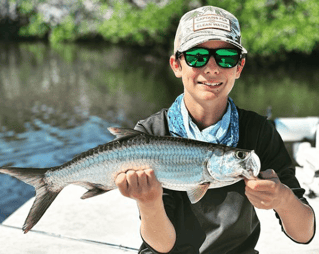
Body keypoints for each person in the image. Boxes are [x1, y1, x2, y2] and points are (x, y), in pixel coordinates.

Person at [115, 5, 316, 254]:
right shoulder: (151, 132)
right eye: (197, 56)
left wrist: (283, 199)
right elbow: (162, 245)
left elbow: (305, 233)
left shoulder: (258, 131)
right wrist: (149, 203)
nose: (212, 68)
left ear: (239, 67)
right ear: (176, 65)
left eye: (226, 57)